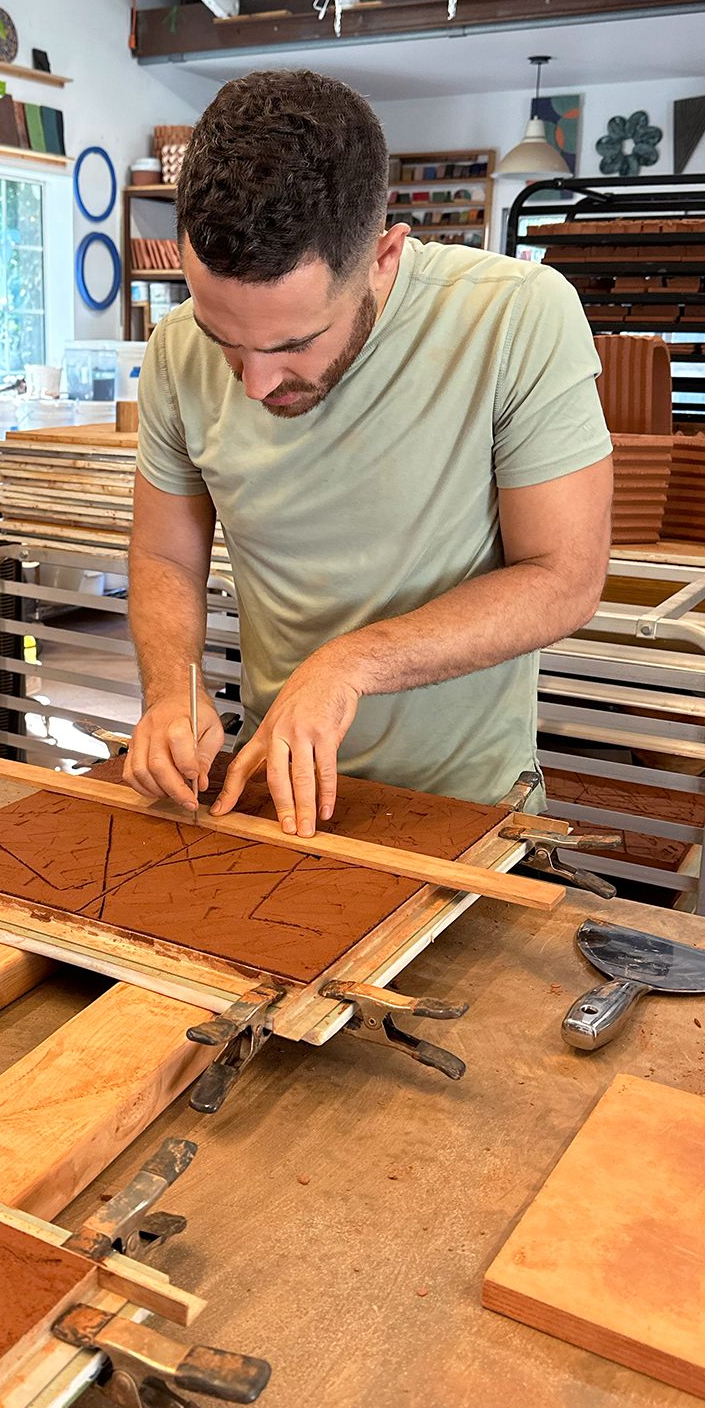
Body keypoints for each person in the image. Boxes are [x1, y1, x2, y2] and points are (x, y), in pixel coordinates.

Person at [125, 69, 612, 838]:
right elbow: (163, 557)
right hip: (270, 797)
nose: (255, 383)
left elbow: (565, 578)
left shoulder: (517, 316)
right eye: (226, 339)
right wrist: (171, 692)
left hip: (465, 807)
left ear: (384, 257)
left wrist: (348, 665)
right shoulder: (174, 351)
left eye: (293, 344)